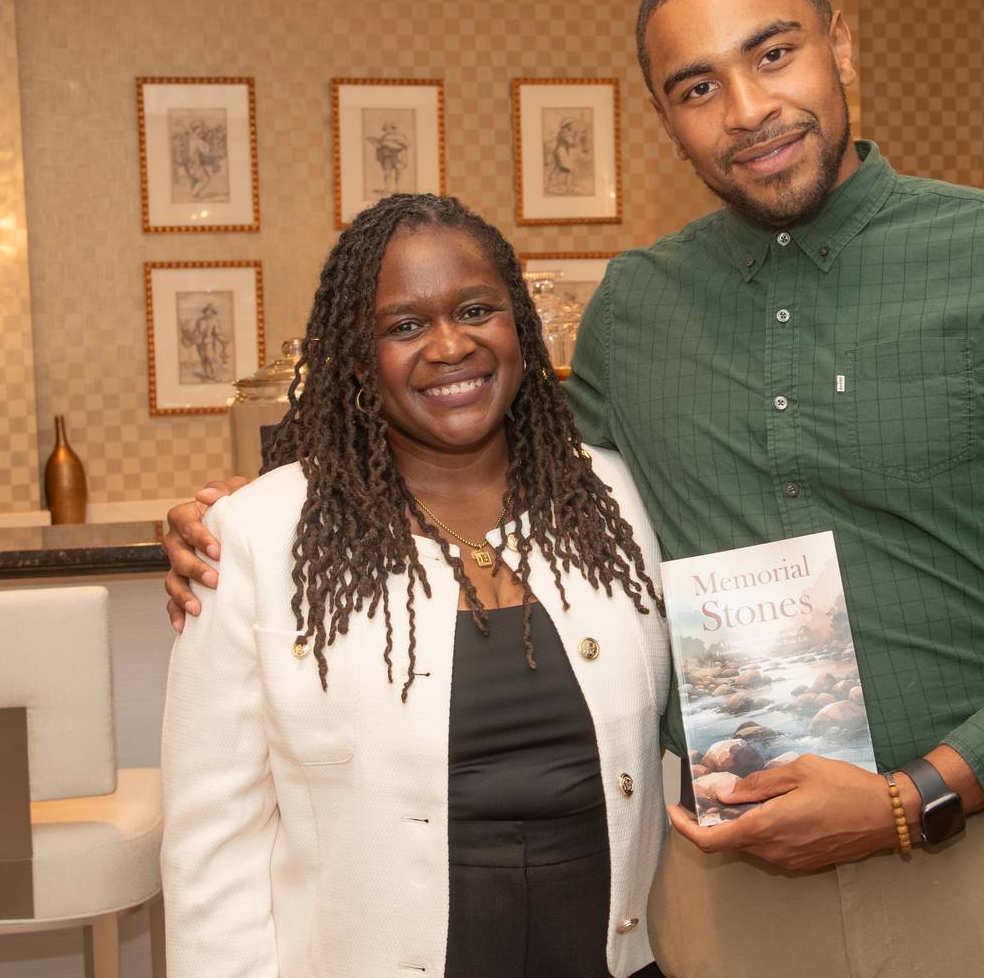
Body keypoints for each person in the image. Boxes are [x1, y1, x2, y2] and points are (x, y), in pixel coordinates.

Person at [165, 0, 984, 977]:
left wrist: (925, 793)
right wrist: (268, 519)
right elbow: (515, 479)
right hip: (735, 892)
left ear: (840, 44)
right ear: (666, 119)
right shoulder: (638, 309)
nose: (748, 109)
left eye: (774, 53)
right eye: (698, 87)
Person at [160, 193, 671, 978]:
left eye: (475, 310)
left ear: (520, 326)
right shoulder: (259, 537)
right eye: (404, 326)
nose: (450, 346)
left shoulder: (618, 497)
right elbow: (211, 846)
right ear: (356, 357)